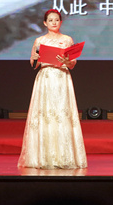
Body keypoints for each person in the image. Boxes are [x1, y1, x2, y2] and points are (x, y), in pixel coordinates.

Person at [18, 9, 87, 169]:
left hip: (62, 77)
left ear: (61, 22)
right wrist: (35, 58)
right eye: (50, 20)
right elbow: (34, 64)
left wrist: (66, 61)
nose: (54, 22)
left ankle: (64, 156)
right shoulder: (39, 41)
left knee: (62, 113)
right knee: (46, 114)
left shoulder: (67, 39)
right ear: (45, 23)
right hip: (46, 78)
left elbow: (72, 64)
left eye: (56, 20)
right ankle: (44, 157)